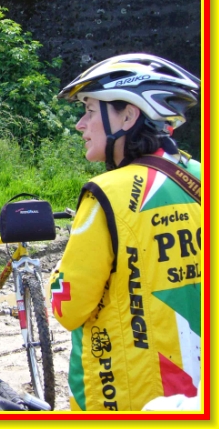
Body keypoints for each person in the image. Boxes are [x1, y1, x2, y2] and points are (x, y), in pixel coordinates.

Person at [48, 54, 201, 411]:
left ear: (129, 116)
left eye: (89, 110)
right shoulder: (202, 175)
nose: (80, 124)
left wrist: (56, 276)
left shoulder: (105, 193)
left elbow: (67, 306)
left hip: (126, 398)